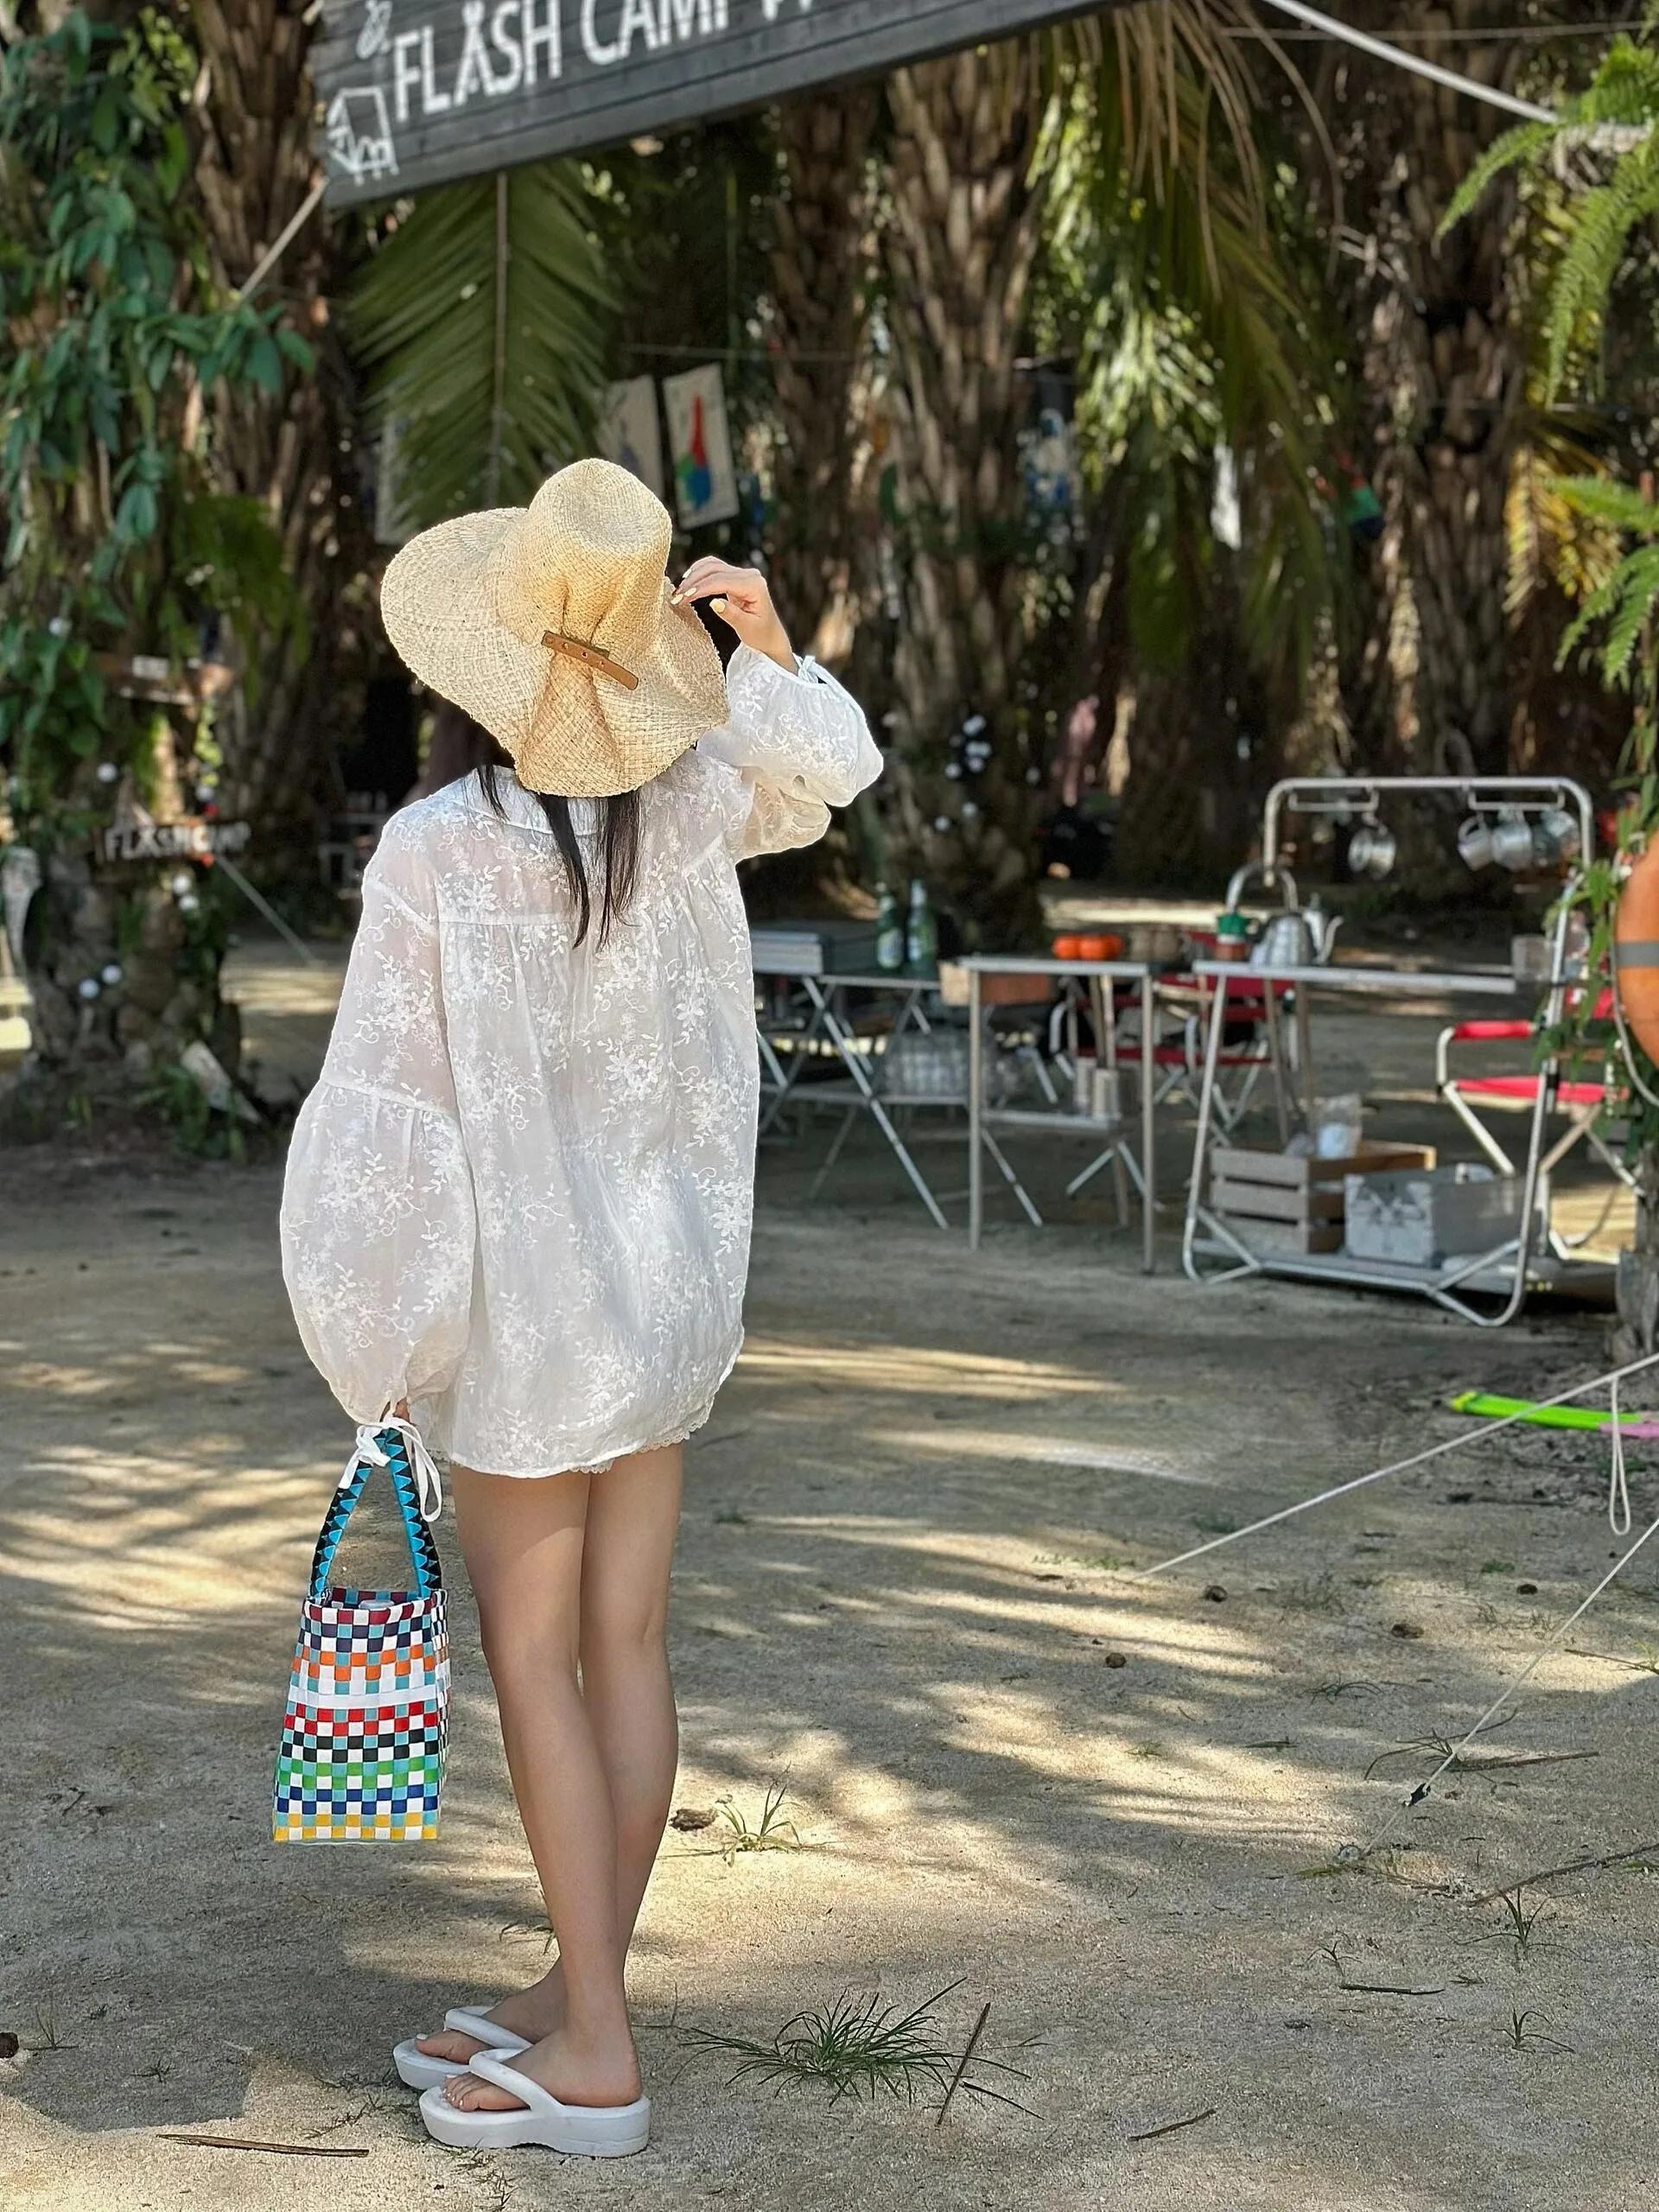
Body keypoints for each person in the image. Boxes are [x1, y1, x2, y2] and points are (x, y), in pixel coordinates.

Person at [279, 459, 880, 2158]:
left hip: (527, 1321)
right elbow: (825, 775)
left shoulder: (434, 851)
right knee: (624, 1648)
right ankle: (577, 1981)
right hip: (664, 1306)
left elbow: (387, 1125)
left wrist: (382, 1349)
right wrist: (769, 648)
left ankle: (600, 2049)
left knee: (535, 1661)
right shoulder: (688, 809)